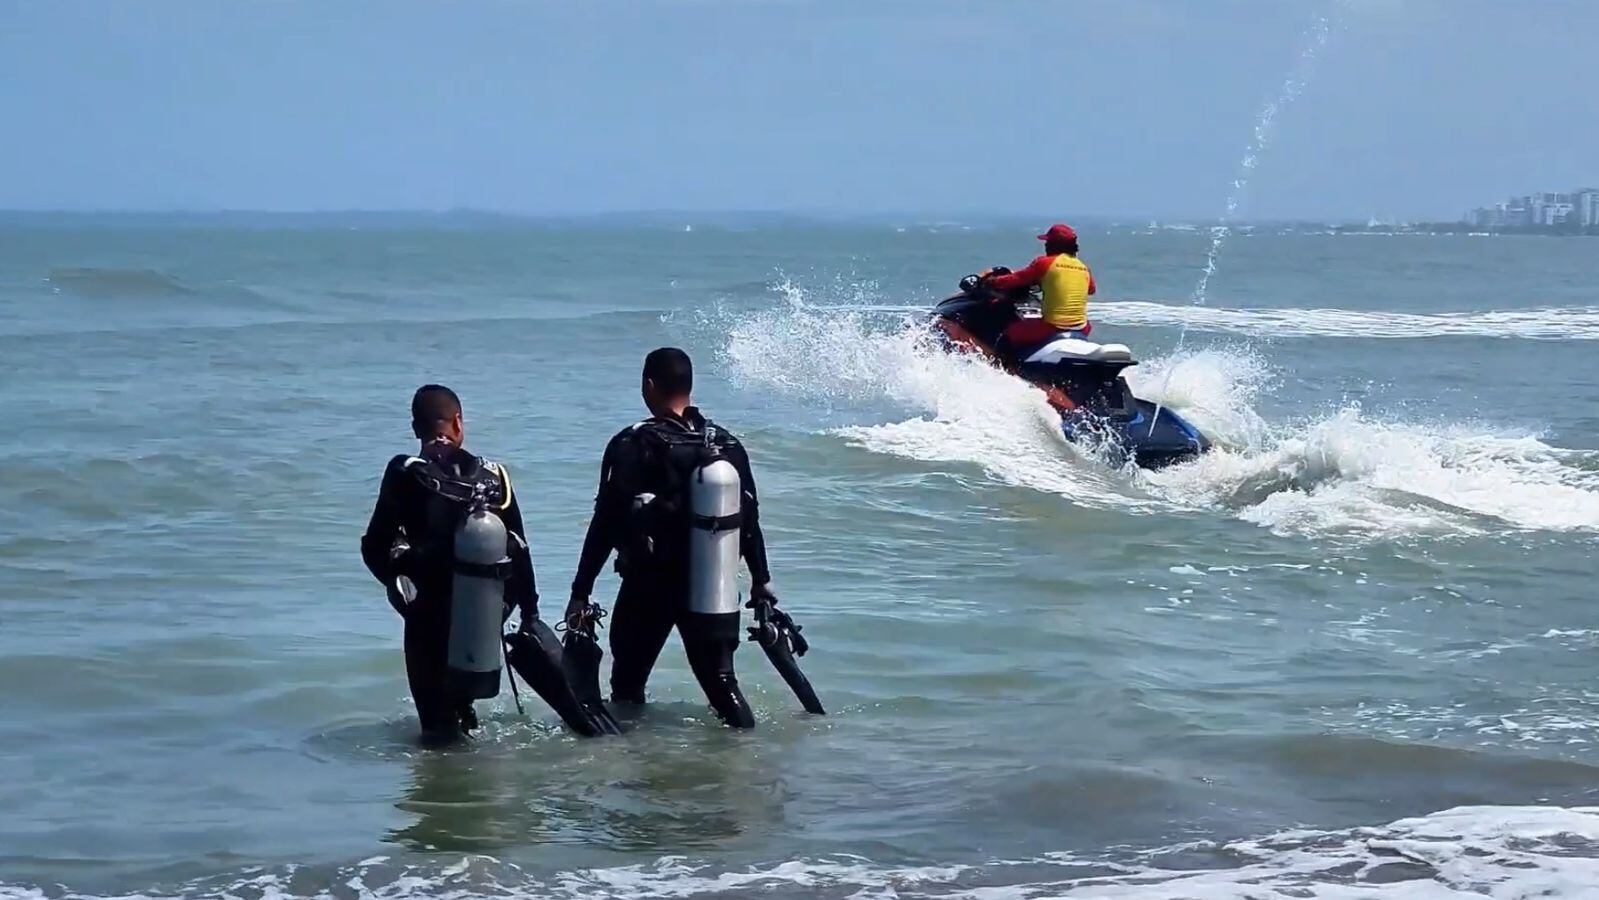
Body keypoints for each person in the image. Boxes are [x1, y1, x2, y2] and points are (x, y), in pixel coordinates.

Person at [567, 347, 775, 728]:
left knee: (627, 687)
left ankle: (637, 772)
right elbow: (749, 521)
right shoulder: (726, 446)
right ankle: (745, 763)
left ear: (648, 386)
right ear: (689, 387)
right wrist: (761, 581)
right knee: (723, 686)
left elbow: (605, 524)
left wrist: (581, 591)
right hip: (714, 586)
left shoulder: (634, 445)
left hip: (649, 587)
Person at [360, 384, 539, 745]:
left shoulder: (405, 472)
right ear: (458, 422)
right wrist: (527, 614)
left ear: (415, 429)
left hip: (429, 617)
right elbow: (519, 550)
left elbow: (374, 545)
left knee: (436, 734)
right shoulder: (493, 476)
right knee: (464, 713)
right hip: (483, 617)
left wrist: (398, 588)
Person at [986, 223, 1097, 350]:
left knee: (1009, 331)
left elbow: (1017, 279)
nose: (1045, 245)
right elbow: (1091, 289)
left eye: (1047, 242)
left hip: (1052, 327)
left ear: (1054, 244)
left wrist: (993, 281)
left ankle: (1004, 368)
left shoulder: (1044, 263)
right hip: (1082, 328)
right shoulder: (1083, 267)